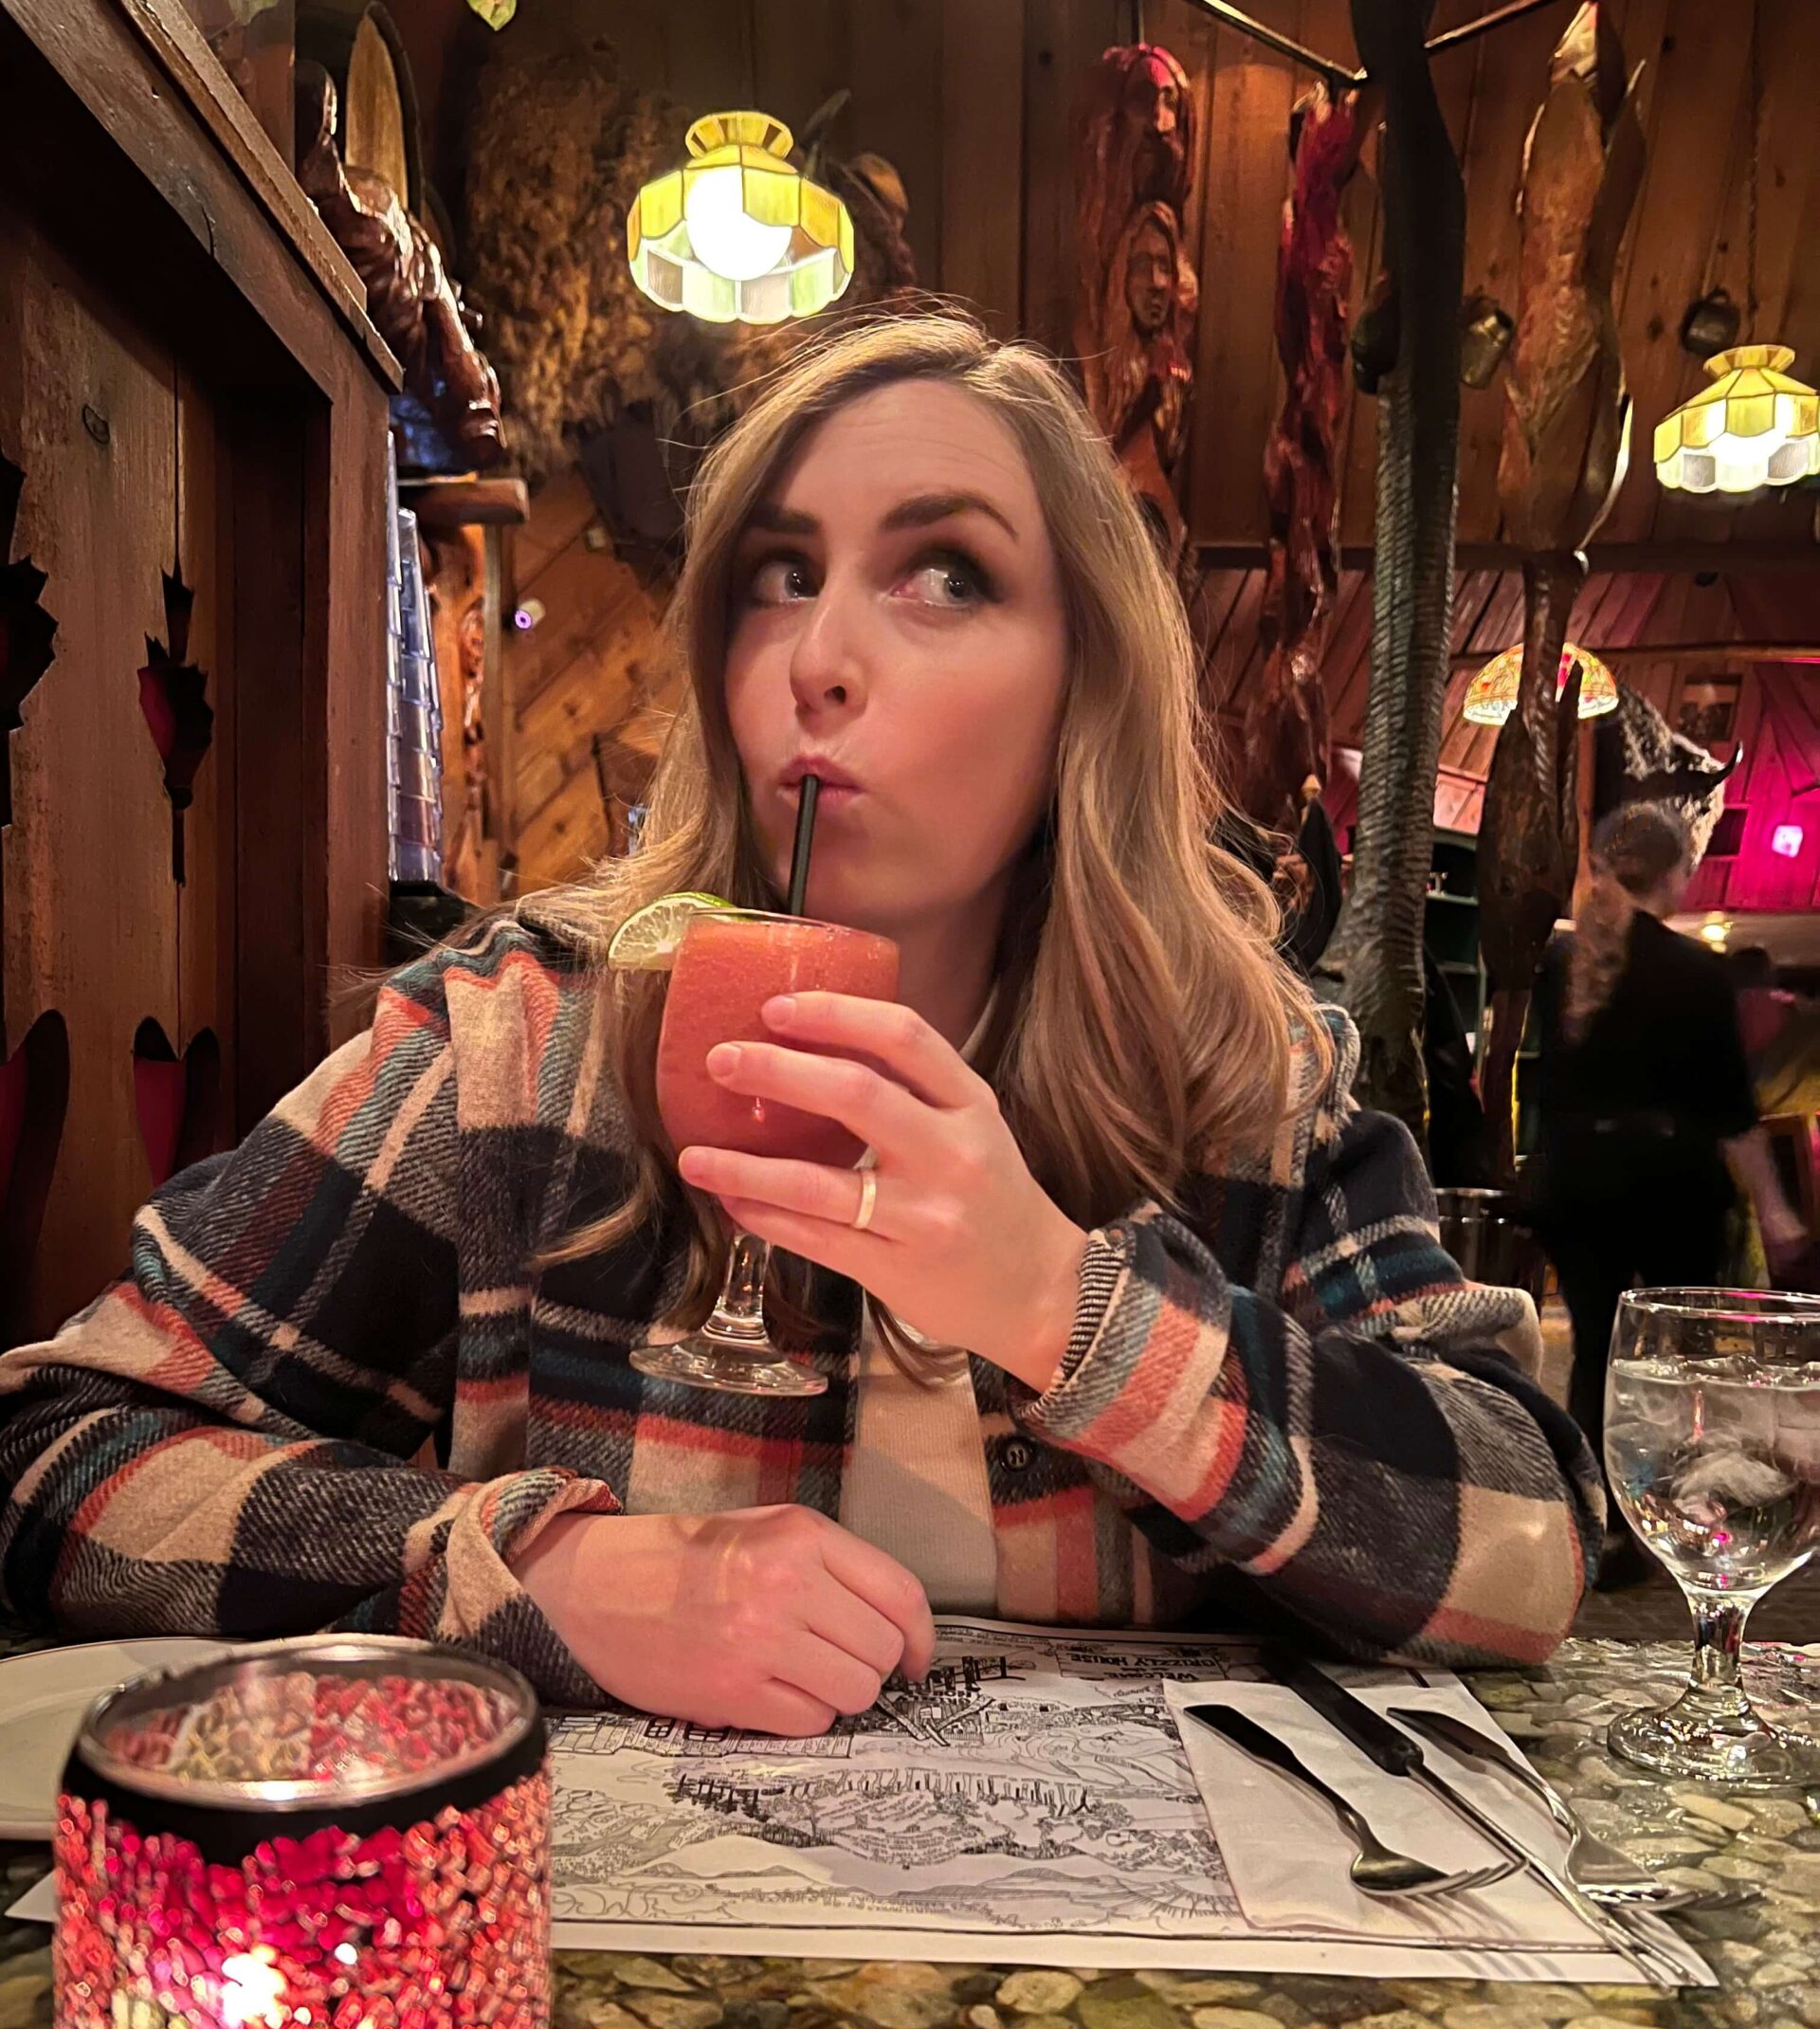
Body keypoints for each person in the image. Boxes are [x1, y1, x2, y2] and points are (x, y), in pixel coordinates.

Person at [0, 313, 1599, 1735]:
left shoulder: (1250, 1080)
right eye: (782, 576)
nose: (818, 661)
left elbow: (1530, 1552)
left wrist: (1064, 1308)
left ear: (1083, 685)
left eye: (946, 574)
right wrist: (539, 1568)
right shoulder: (519, 1051)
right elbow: (58, 1449)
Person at [1532, 803, 1807, 1475]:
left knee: (1595, 1346)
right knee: (1681, 1351)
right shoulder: (1697, 971)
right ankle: (1671, 1493)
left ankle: (1597, 1505)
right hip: (1668, 1187)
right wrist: (1775, 1210)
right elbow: (1732, 1113)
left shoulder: (1562, 965)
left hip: (1576, 1183)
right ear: (1675, 873)